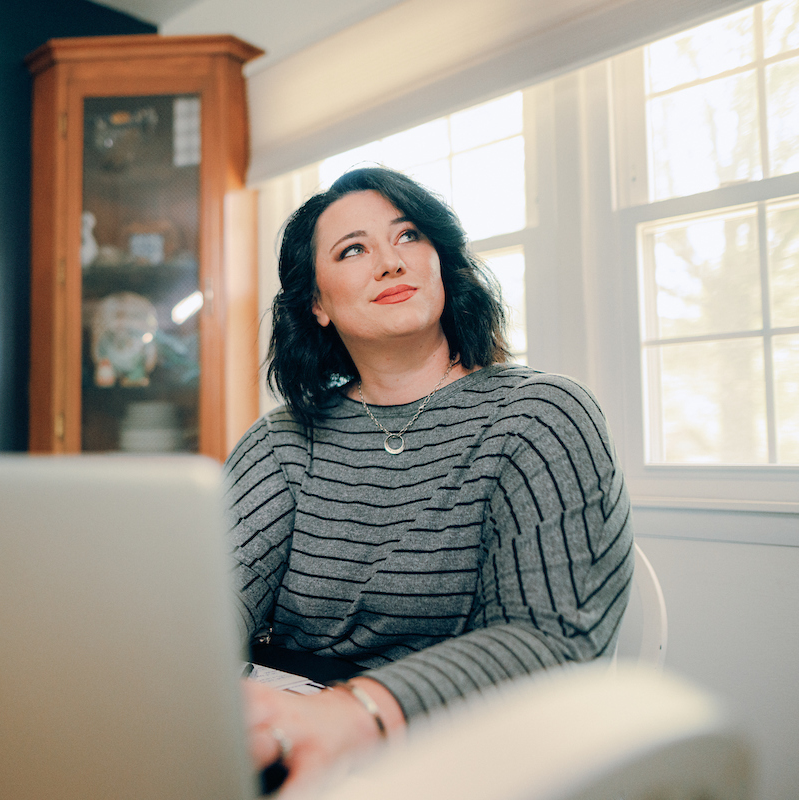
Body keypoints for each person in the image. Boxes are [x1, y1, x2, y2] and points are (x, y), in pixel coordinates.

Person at [224, 166, 633, 792]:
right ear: (317, 304)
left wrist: (356, 712)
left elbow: (556, 637)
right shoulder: (282, 440)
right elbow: (205, 607)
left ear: (441, 264)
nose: (390, 262)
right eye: (353, 249)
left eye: (409, 236)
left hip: (459, 752)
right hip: (281, 736)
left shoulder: (541, 415)